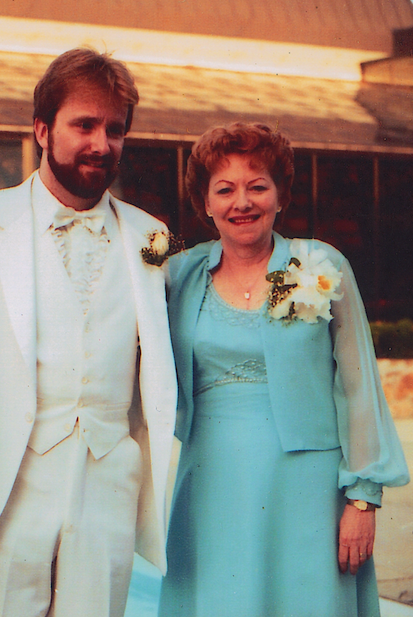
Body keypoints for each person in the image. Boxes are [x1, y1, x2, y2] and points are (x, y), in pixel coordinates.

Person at [0, 47, 177, 617]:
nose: (101, 143)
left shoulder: (152, 238)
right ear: (43, 129)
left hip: (107, 494)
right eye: (84, 124)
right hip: (0, 491)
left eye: (115, 129)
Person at [160, 122, 409, 617]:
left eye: (257, 186)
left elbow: (359, 388)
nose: (242, 202)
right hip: (211, 485)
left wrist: (362, 499)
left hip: (306, 489)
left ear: (280, 195)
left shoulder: (321, 265)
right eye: (224, 189)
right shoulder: (179, 274)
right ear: (205, 203)